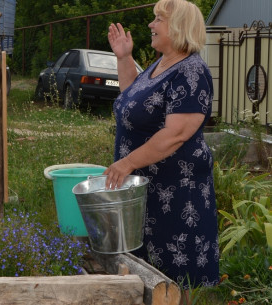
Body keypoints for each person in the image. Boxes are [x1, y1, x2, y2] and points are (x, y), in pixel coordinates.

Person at [103, 0, 219, 296]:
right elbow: (134, 101)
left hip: (178, 194)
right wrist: (124, 57)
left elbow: (176, 134)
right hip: (151, 188)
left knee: (177, 279)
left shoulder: (191, 71)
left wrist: (127, 163)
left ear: (178, 27)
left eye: (158, 20)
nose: (151, 25)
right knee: (150, 275)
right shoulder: (162, 63)